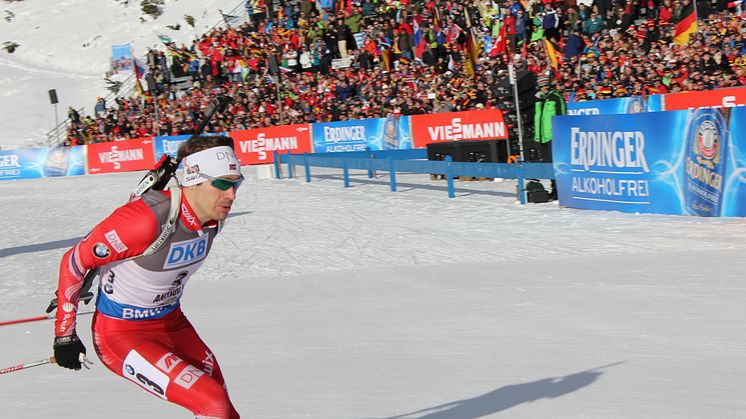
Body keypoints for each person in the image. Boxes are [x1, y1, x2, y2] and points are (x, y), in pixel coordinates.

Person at [52, 135, 243, 418]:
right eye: (223, 184)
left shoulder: (213, 217)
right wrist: (64, 336)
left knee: (223, 405)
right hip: (122, 334)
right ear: (194, 180)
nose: (232, 195)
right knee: (212, 403)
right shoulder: (146, 220)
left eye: (236, 183)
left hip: (172, 323)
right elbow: (75, 261)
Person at [534, 75, 566, 199]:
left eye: (546, 85)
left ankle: (560, 190)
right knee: (548, 166)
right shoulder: (539, 100)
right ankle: (554, 189)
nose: (544, 88)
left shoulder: (556, 98)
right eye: (541, 86)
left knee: (556, 165)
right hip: (541, 137)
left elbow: (562, 117)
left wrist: (560, 135)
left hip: (553, 137)